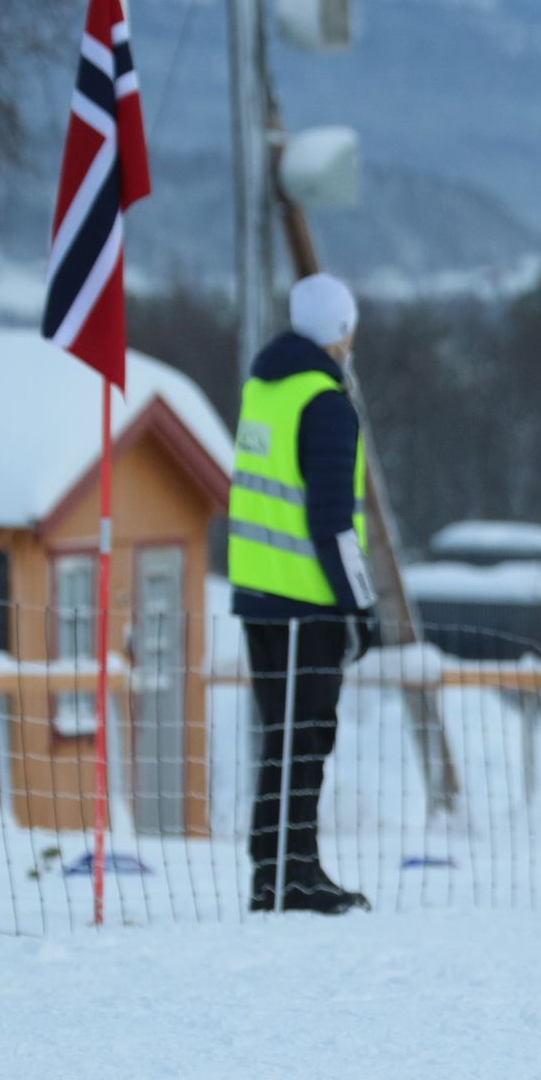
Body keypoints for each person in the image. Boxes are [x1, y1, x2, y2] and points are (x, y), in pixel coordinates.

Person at [228, 273, 375, 915]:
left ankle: (273, 870)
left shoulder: (263, 389)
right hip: (306, 601)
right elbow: (331, 520)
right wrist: (360, 605)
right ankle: (297, 873)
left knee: (281, 734)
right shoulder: (325, 402)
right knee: (308, 733)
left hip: (257, 594)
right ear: (342, 330)